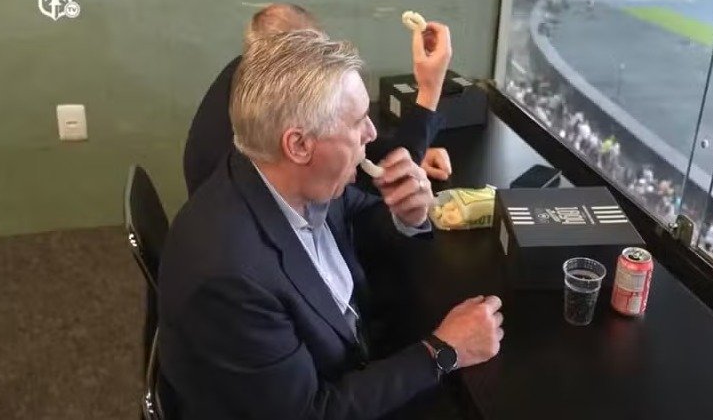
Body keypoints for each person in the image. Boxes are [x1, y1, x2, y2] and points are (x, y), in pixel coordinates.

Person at [158, 29, 503, 419]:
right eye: (357, 122)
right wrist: (441, 351)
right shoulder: (229, 279)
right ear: (299, 145)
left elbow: (359, 214)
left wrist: (408, 216)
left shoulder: (281, 173)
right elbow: (310, 412)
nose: (371, 133)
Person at [183, 3, 452, 196]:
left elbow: (350, 151)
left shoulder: (245, 77)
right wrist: (429, 90)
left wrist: (390, 153)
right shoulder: (248, 158)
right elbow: (387, 188)